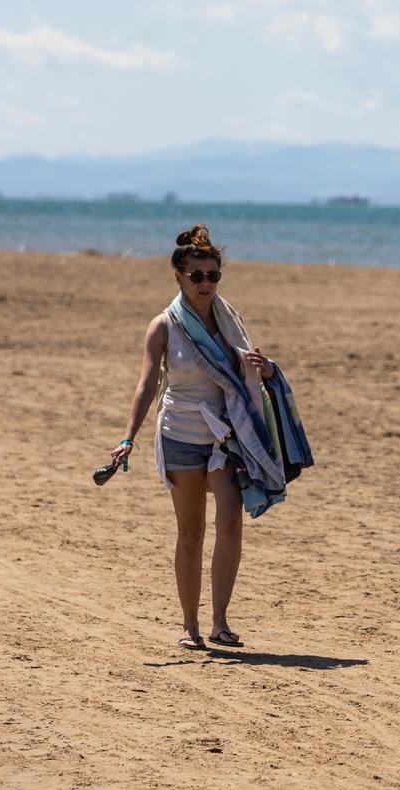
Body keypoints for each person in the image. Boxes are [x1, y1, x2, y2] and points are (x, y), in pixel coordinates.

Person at [109, 223, 281, 651]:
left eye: (213, 276)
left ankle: (221, 621)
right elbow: (147, 385)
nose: (206, 284)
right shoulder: (164, 326)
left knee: (231, 520)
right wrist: (128, 437)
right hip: (181, 434)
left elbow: (246, 369)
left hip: (225, 436)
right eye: (197, 276)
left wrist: (268, 370)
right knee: (191, 532)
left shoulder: (229, 320)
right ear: (179, 276)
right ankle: (191, 625)